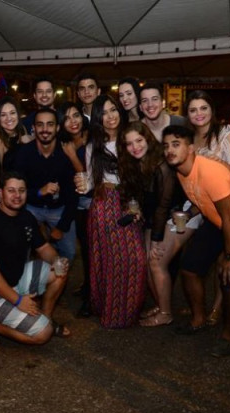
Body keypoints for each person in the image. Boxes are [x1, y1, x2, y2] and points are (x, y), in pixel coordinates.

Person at [162, 125, 230, 357]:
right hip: (217, 223)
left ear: (191, 148)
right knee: (189, 268)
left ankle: (228, 336)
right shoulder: (181, 171)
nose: (170, 150)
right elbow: (202, 200)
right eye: (166, 146)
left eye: (176, 145)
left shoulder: (210, 172)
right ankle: (198, 320)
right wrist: (188, 214)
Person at [0, 172, 70, 345]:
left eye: (21, 190)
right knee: (43, 335)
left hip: (16, 280)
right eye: (11, 190)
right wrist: (18, 301)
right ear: (1, 193)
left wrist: (57, 260)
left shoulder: (26, 217)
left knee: (59, 273)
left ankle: (46, 319)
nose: (17, 195)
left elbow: (44, 248)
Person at [80, 95, 146, 328]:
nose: (110, 116)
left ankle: (129, 312)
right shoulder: (93, 147)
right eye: (104, 113)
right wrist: (81, 184)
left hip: (130, 201)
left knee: (136, 258)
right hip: (103, 204)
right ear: (98, 119)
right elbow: (90, 182)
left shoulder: (131, 138)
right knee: (109, 261)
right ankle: (110, 312)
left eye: (114, 110)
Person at [117, 121, 184, 327]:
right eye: (129, 144)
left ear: (147, 139)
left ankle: (165, 313)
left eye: (139, 140)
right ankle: (160, 304)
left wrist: (156, 240)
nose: (135, 147)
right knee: (144, 262)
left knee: (155, 261)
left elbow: (163, 206)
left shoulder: (162, 165)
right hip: (154, 218)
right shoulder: (136, 164)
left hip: (174, 217)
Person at [186, 89, 230, 325]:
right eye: (193, 110)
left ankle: (216, 309)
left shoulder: (225, 132)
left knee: (222, 261)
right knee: (194, 262)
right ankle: (198, 310)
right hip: (200, 205)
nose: (199, 114)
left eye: (203, 108)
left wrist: (217, 165)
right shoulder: (190, 138)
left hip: (225, 205)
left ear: (211, 109)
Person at [13, 107, 77, 263]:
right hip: (31, 206)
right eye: (40, 125)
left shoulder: (66, 153)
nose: (45, 129)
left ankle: (58, 277)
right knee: (20, 249)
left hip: (60, 208)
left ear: (57, 128)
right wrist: (39, 192)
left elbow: (73, 194)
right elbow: (16, 191)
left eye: (50, 124)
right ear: (34, 128)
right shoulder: (23, 153)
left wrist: (62, 226)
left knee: (69, 252)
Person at [57, 102, 91, 317]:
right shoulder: (62, 142)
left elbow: (86, 179)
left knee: (90, 249)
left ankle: (91, 297)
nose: (73, 121)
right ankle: (88, 286)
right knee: (84, 247)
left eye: (76, 115)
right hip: (73, 203)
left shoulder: (92, 138)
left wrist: (72, 155)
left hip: (90, 201)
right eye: (67, 118)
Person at [0, 96, 32, 167]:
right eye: (3, 115)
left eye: (12, 113)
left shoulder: (22, 129)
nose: (9, 118)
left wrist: (31, 138)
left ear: (18, 114)